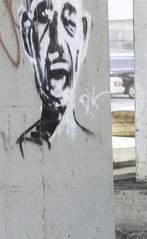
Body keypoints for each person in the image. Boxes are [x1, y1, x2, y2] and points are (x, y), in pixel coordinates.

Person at [17, 0, 92, 157]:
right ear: (28, 36)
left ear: (83, 36)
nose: (57, 45)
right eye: (43, 18)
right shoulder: (23, 149)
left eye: (69, 20)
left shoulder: (92, 145)